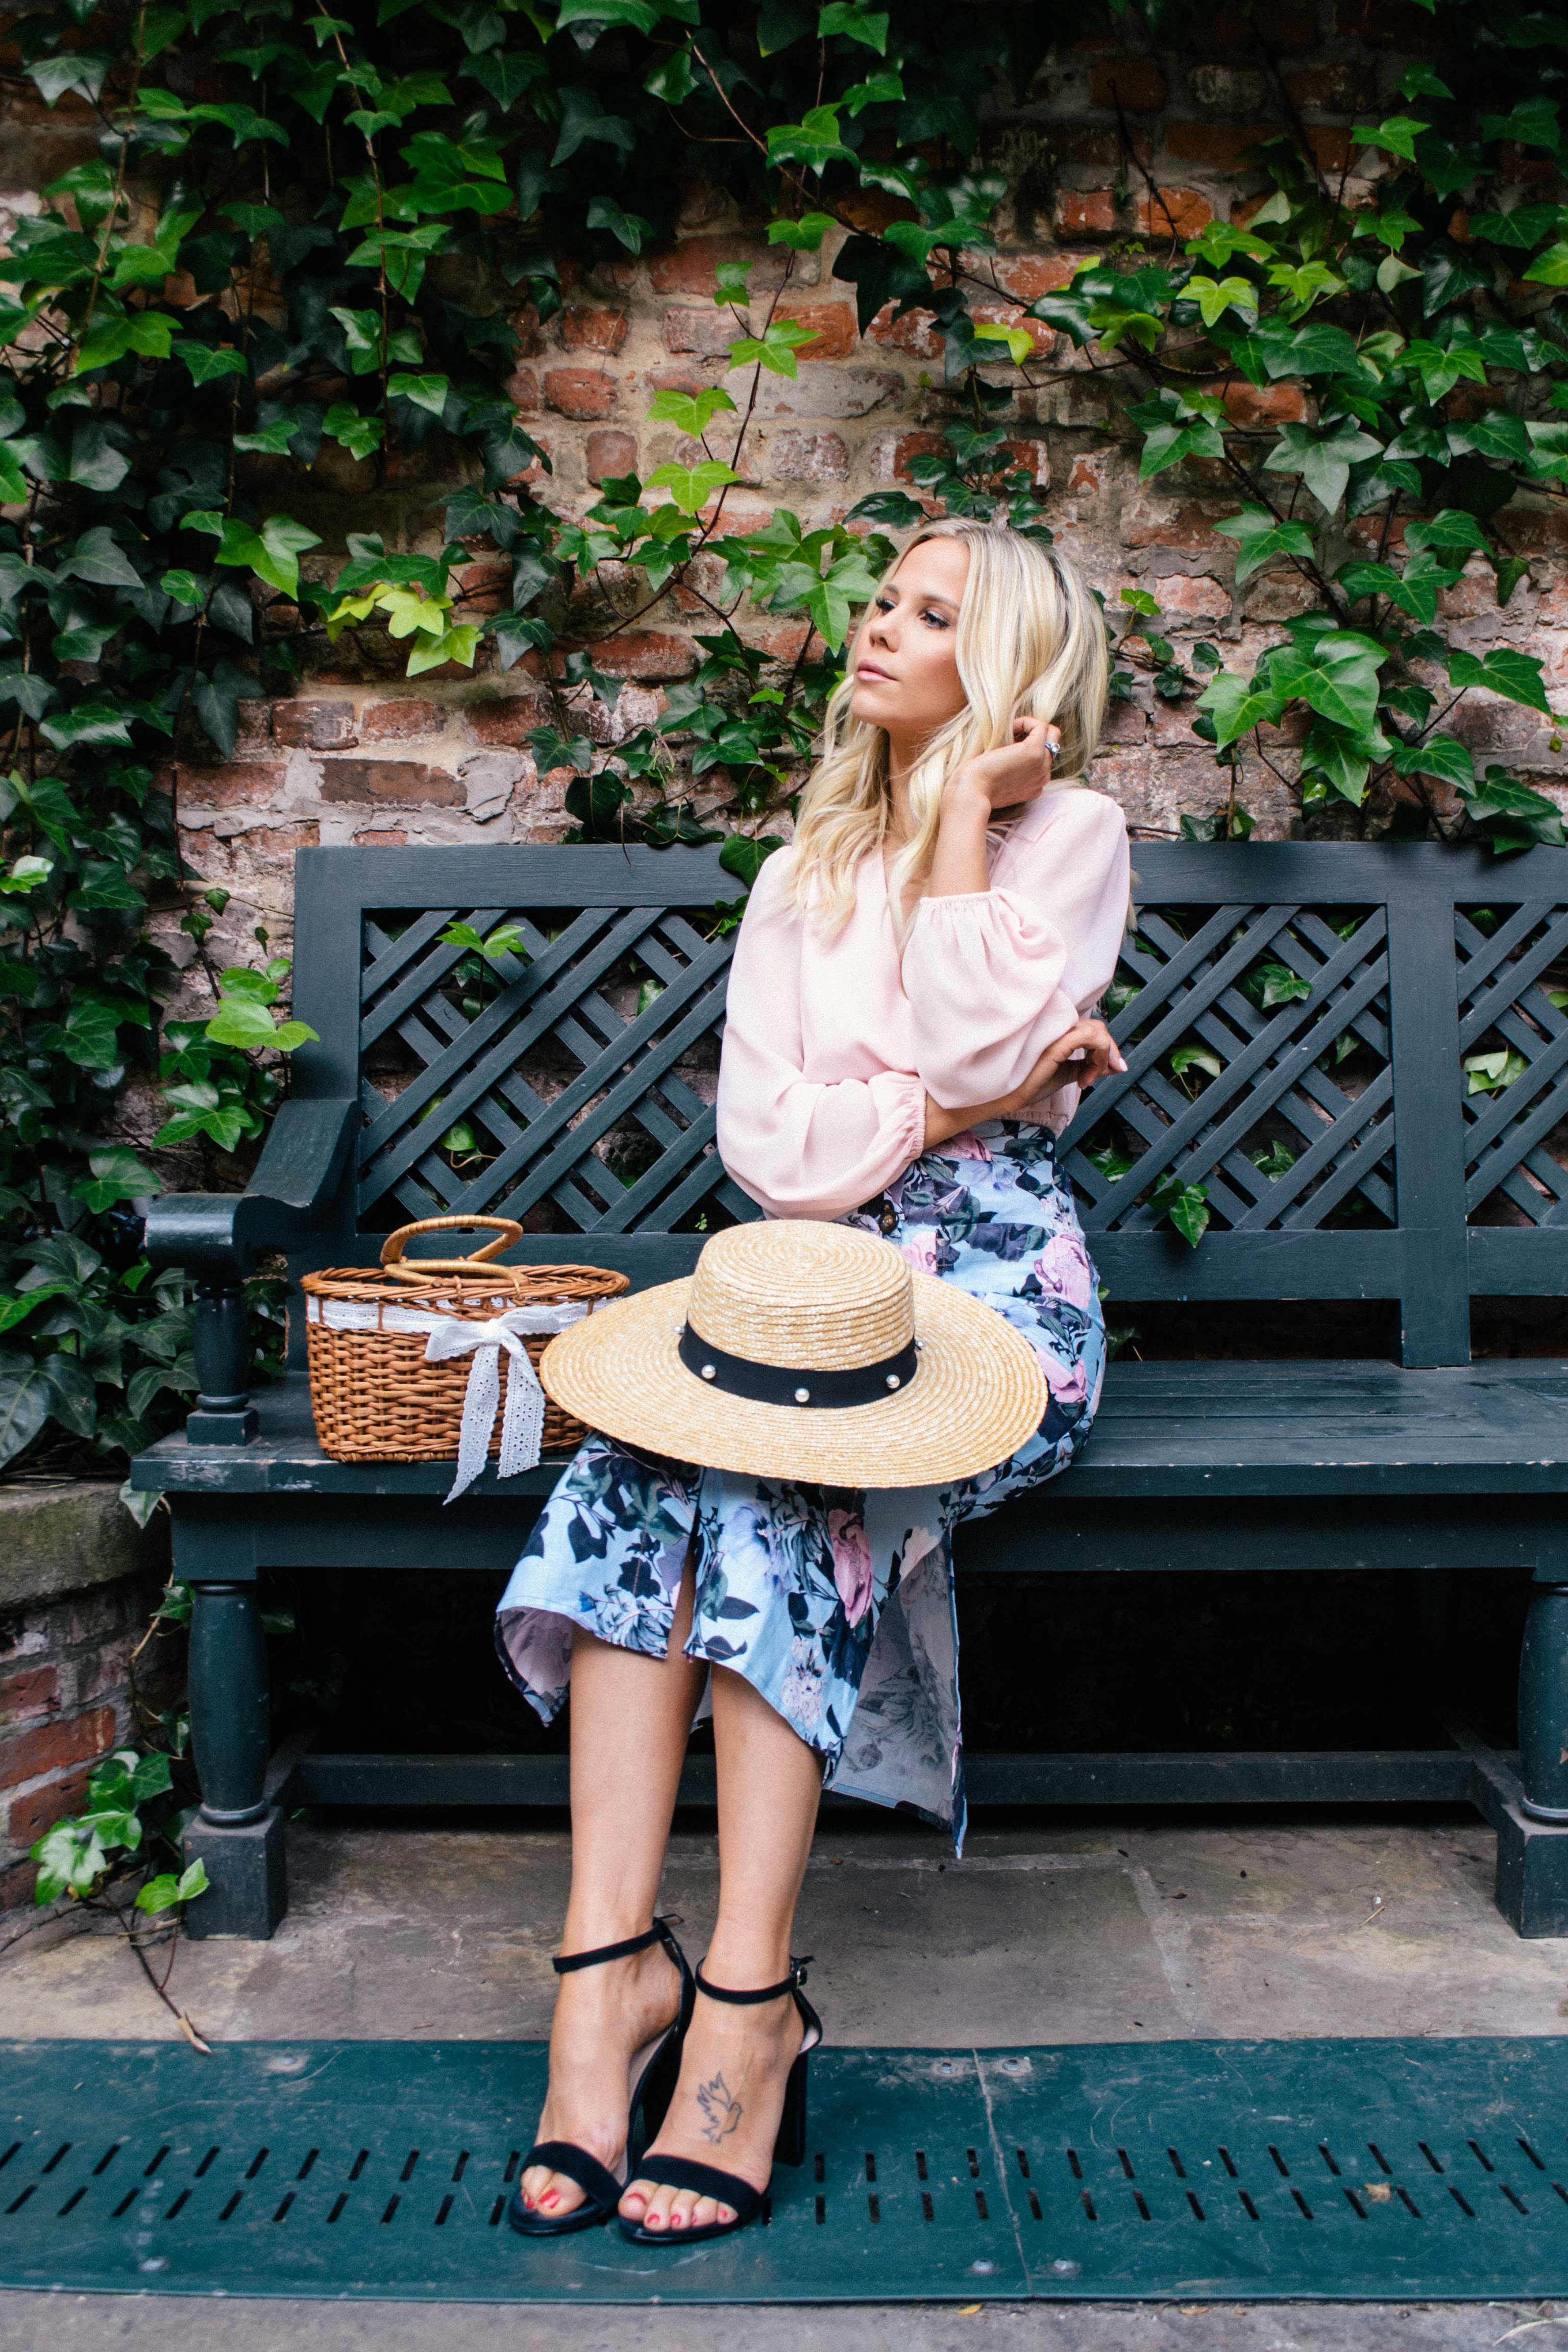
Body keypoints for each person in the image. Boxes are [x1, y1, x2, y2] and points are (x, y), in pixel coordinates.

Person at [494, 517, 1132, 2247]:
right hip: (803, 1284)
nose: (881, 629)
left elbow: (987, 1039)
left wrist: (947, 852)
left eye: (932, 616)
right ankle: (610, 1978)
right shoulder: (797, 871)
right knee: (636, 1470)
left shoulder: (1068, 839)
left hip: (997, 1297)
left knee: (783, 1480)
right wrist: (953, 1105)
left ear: (1000, 675)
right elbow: (780, 1159)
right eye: (881, 598)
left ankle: (744, 2013)